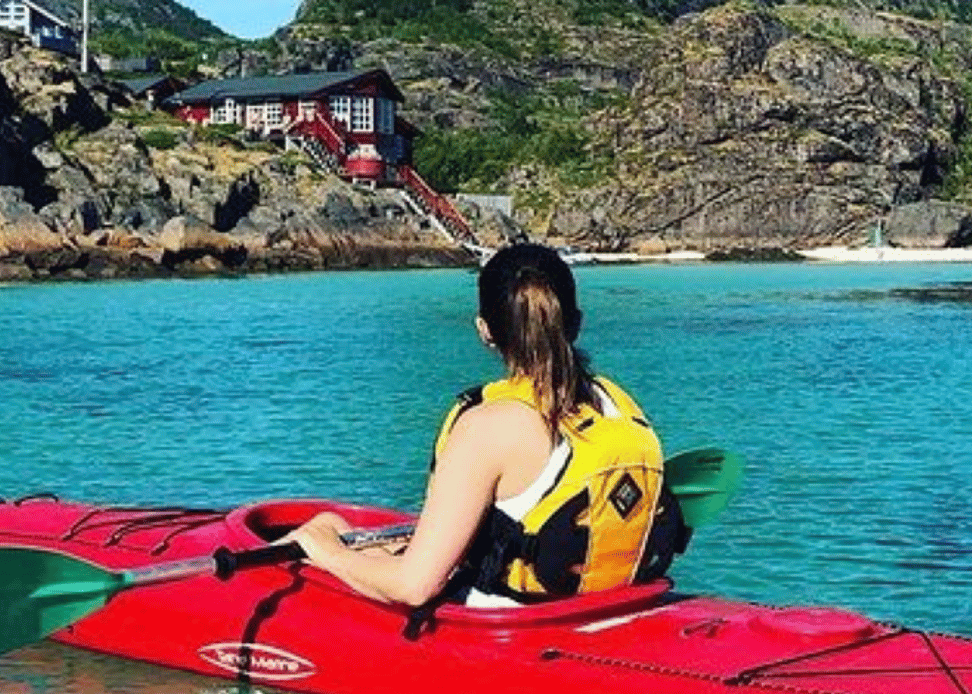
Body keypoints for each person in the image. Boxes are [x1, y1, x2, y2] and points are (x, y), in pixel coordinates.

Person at [293, 242, 685, 612]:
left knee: (324, 530)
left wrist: (328, 553)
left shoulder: (487, 427)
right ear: (576, 323)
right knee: (344, 532)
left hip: (509, 624)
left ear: (484, 330)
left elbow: (415, 586)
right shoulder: (615, 405)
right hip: (605, 609)